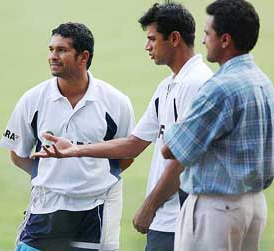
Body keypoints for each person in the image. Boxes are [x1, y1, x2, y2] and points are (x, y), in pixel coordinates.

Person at [32, 3, 213, 251]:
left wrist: (149, 206)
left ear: (174, 38)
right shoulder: (169, 85)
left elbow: (182, 158)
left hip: (183, 218)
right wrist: (73, 149)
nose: (147, 46)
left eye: (152, 39)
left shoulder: (196, 84)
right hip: (167, 218)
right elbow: (134, 144)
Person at [0, 22, 135, 251]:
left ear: (83, 57)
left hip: (94, 211)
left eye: (61, 50)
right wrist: (49, 177)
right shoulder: (32, 100)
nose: (53, 56)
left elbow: (127, 155)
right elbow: (17, 154)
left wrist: (89, 179)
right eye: (51, 49)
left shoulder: (116, 102)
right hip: (45, 207)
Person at [160, 0, 274, 250]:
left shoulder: (220, 87)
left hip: (217, 210)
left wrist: (170, 128)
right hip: (254, 205)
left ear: (225, 40)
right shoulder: (263, 82)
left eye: (207, 33)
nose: (202, 40)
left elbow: (173, 149)